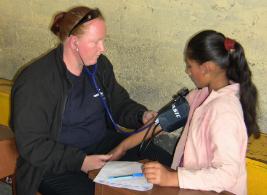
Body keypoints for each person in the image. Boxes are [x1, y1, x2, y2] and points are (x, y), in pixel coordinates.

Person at [10, 6, 172, 195]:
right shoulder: (36, 81)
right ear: (73, 42)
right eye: (95, 42)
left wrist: (141, 115)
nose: (102, 48)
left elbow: (118, 102)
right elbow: (32, 145)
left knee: (163, 161)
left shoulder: (99, 66)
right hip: (54, 165)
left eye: (103, 41)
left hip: (102, 147)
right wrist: (82, 161)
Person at [109, 30, 260, 195]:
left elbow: (227, 175)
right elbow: (161, 122)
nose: (187, 71)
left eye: (189, 65)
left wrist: (173, 178)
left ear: (206, 68)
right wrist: (122, 147)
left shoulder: (225, 111)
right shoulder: (199, 95)